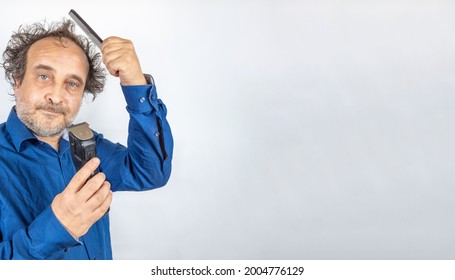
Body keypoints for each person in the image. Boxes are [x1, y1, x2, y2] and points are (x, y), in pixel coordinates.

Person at [0, 18, 173, 259]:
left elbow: (150, 172)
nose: (57, 96)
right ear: (17, 80)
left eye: (72, 83)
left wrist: (135, 84)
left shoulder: (87, 145)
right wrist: (60, 226)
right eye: (43, 77)